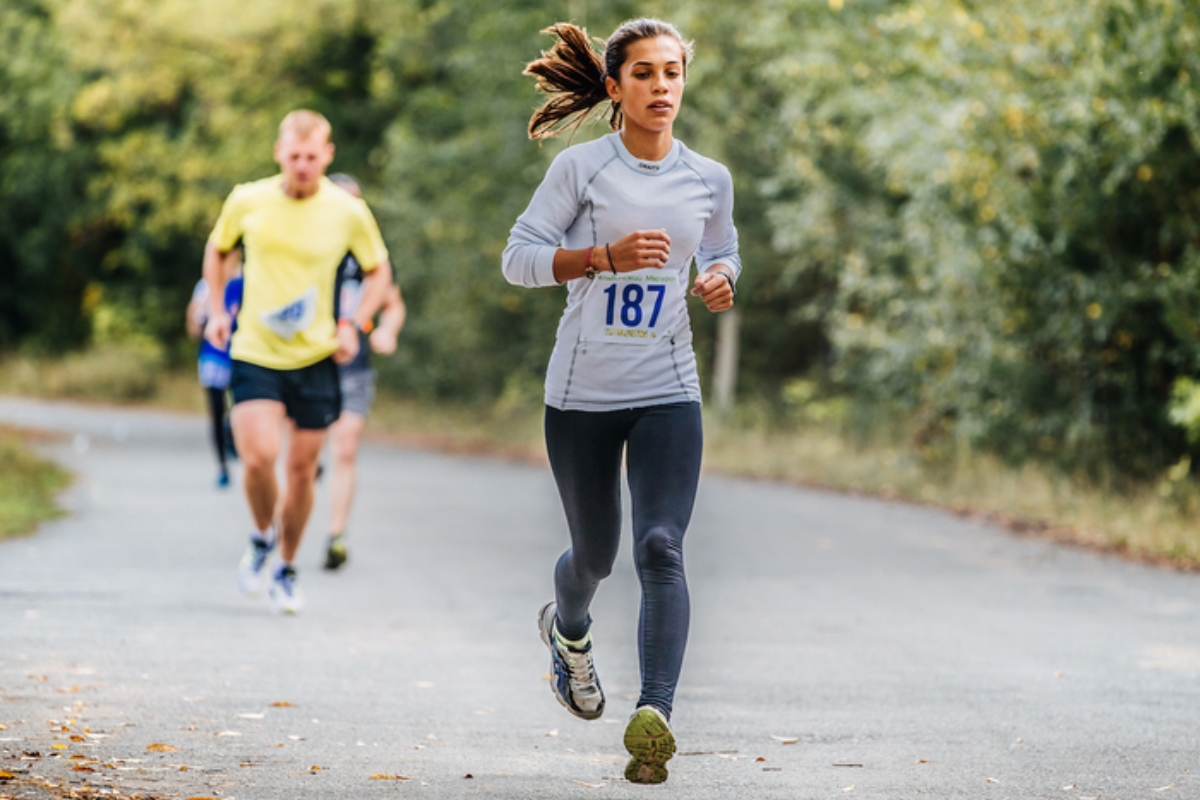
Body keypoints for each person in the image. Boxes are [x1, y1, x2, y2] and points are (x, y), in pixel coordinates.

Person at [502, 19, 740, 785]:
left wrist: (719, 279)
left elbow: (723, 248)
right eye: (644, 74)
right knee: (598, 555)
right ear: (615, 87)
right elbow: (519, 259)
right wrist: (599, 257)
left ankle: (656, 716)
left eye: (672, 73)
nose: (662, 87)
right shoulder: (581, 171)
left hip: (668, 387)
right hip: (582, 396)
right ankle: (567, 631)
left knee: (661, 546)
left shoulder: (709, 178)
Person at [202, 110, 394, 614]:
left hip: (315, 354)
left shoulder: (347, 210)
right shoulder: (248, 199)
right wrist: (219, 310)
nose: (303, 165)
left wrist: (354, 323)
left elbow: (378, 271)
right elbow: (219, 250)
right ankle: (262, 533)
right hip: (255, 350)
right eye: (294, 156)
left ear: (327, 156)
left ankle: (286, 566)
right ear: (279, 153)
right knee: (260, 456)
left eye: (312, 157)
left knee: (302, 469)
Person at [322, 173, 407, 570]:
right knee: (302, 459)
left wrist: (387, 329)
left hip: (353, 365)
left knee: (345, 446)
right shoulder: (307, 248)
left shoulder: (368, 254)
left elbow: (392, 302)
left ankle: (336, 535)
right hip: (306, 364)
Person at [186, 261, 244, 488]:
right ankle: (222, 467)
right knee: (217, 411)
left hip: (242, 355)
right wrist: (198, 317)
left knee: (242, 409)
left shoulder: (246, 281)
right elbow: (193, 327)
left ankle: (239, 446)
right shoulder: (205, 286)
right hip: (213, 356)